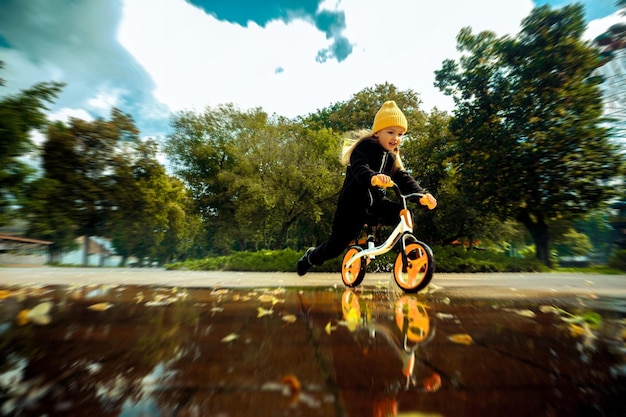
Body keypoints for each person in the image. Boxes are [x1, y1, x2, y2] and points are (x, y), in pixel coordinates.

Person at [296, 100, 437, 276]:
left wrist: (422, 196)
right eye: (391, 132)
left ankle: (407, 254)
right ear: (377, 132)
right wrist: (373, 177)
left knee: (405, 213)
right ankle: (311, 257)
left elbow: (403, 178)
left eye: (401, 134)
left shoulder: (391, 158)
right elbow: (359, 167)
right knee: (336, 245)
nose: (396, 138)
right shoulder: (365, 147)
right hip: (352, 206)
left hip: (377, 205)